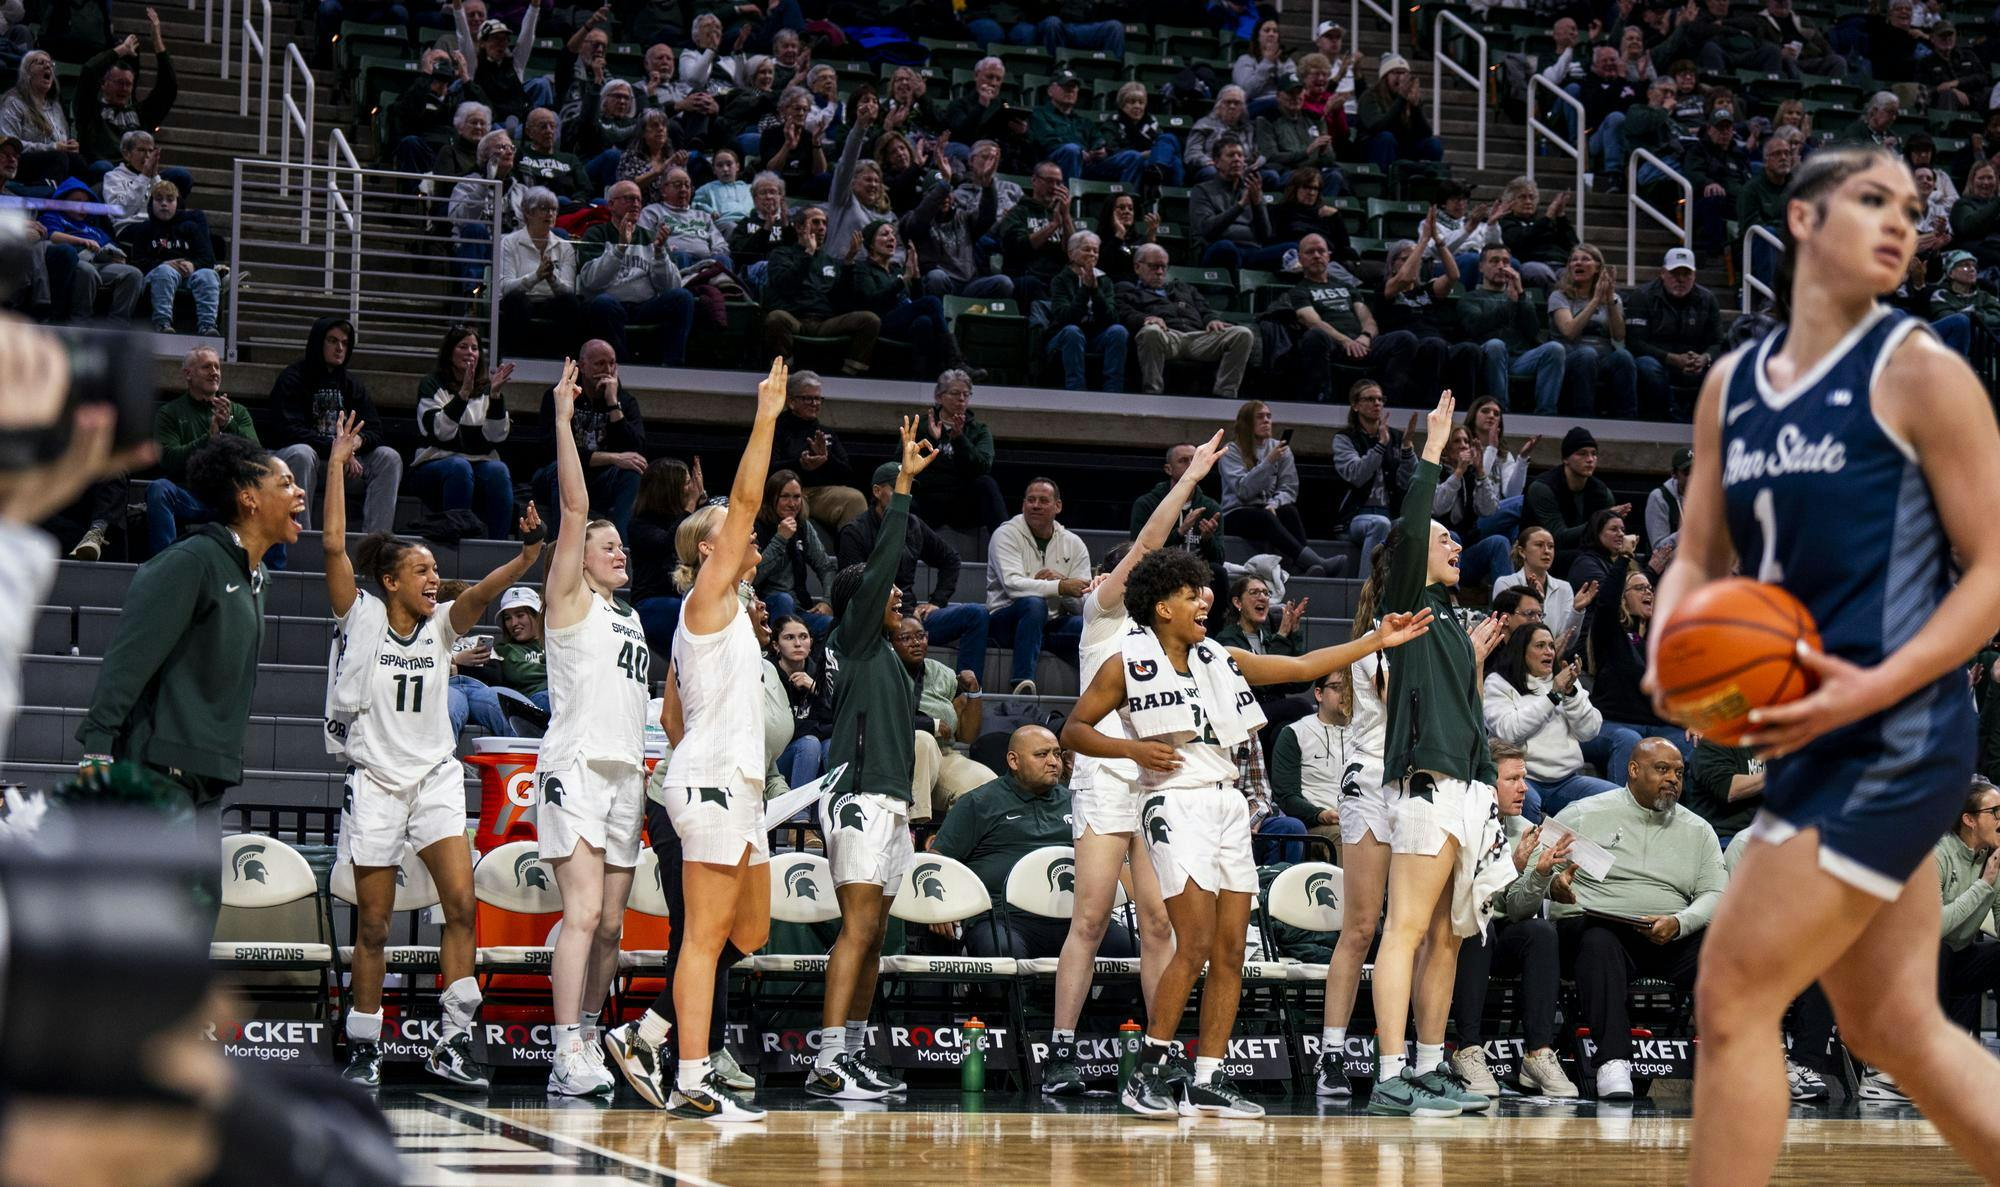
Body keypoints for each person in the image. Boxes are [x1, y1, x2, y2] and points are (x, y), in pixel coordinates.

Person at [1654, 144, 2000, 1184]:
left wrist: (1871, 684)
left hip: (1895, 727)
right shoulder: (1731, 387)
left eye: (1908, 206)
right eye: (1869, 200)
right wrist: (1674, 647)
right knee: (1891, 1021)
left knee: (1729, 992)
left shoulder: (1922, 371)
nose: (1900, 220)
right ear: (1801, 219)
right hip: (1803, 731)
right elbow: (1694, 556)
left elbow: (1990, 569)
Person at [1063, 548, 1431, 1119]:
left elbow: (1305, 665)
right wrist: (1130, 748)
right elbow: (1075, 731)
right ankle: (1154, 1069)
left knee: (1232, 950)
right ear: (1162, 607)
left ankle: (1207, 1078)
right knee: (1197, 942)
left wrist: (1375, 641)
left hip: (1228, 806)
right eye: (1191, 593)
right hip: (1173, 804)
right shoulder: (1123, 664)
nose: (1204, 598)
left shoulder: (1221, 657)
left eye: (1204, 590)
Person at [321, 408, 544, 1092]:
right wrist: (335, 464)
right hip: (378, 783)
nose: (431, 577)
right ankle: (364, 1042)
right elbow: (333, 547)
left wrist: (528, 556)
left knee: (460, 904)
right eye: (420, 569)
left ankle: (454, 1035)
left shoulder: (444, 626)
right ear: (389, 580)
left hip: (435, 780)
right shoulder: (359, 615)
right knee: (376, 925)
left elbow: (479, 591)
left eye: (432, 570)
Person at [602, 361, 785, 1122]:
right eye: (727, 529)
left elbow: (673, 717)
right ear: (707, 549)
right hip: (713, 781)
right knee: (706, 938)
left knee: (751, 928)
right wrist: (766, 416)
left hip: (726, 777)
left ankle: (645, 1033)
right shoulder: (707, 594)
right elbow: (745, 498)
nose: (744, 529)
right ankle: (691, 1077)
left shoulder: (730, 616)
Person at [1040, 433, 1225, 1094]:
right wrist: (1188, 481)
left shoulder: (1169, 637)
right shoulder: (1102, 614)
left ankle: (1157, 1052)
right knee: (1089, 919)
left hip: (1159, 786)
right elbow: (1148, 539)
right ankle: (1060, 1048)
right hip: (1103, 777)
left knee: (1158, 924)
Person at [1349, 391, 1507, 1119]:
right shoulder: (1407, 602)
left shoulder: (1448, 618)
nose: (1453, 546)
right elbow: (1411, 530)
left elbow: (1458, 711)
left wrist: (1472, 663)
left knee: (1449, 935)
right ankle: (1389, 1072)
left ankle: (1432, 1064)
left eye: (1453, 542)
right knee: (1406, 929)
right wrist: (1433, 452)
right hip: (1427, 786)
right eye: (1445, 538)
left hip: (1468, 788)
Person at [76, 433, 304, 922]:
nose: (299, 493)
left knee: (197, 915)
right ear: (248, 497)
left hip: (207, 777)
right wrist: (96, 747)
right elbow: (128, 658)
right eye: (285, 483)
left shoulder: (255, 577)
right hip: (158, 774)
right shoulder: (191, 560)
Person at [808, 417, 939, 1101]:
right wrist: (905, 488)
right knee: (858, 928)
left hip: (891, 804)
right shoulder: (855, 638)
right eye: (892, 597)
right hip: (859, 796)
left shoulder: (892, 656)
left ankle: (853, 1053)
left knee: (877, 935)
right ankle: (828, 1058)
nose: (902, 601)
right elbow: (884, 564)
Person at [533, 356, 651, 1099]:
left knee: (611, 926)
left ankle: (585, 1029)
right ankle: (564, 1047)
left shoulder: (633, 615)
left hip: (625, 773)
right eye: (611, 547)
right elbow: (576, 510)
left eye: (621, 547)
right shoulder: (568, 598)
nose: (620, 551)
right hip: (575, 766)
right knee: (579, 914)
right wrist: (563, 418)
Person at [1525, 739, 1721, 1100]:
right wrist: (1554, 886)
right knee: (1598, 939)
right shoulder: (1583, 813)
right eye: (1662, 769)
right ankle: (1613, 1062)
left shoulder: (1699, 830)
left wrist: (1681, 922)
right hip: (1600, 930)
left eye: (1678, 773)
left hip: (1668, 933)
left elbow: (1716, 893)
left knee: (1723, 947)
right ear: (1633, 770)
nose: (1672, 780)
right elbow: (1535, 868)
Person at [1446, 739, 1581, 1098]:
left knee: (1540, 931)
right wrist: (1513, 866)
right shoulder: (1460, 822)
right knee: (1479, 926)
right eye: (1513, 779)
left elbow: (1518, 908)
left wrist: (1538, 876)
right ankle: (1468, 1049)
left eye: (1525, 778)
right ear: (1486, 783)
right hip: (1453, 935)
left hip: (1497, 935)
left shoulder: (1523, 828)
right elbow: (1465, 901)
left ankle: (1538, 1054)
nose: (1524, 788)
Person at [932, 724, 1130, 960]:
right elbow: (939, 859)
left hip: (1074, 919)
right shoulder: (978, 803)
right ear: (1014, 761)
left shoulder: (1077, 802)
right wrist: (939, 908)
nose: (1053, 762)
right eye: (1041, 754)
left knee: (1130, 949)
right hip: (1004, 919)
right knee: (1002, 951)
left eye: (1057, 753)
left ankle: (1094, 999)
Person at [837, 462, 991, 682]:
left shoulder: (913, 524)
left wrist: (937, 601)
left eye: (908, 488)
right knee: (905, 631)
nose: (905, 495)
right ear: (877, 491)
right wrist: (894, 613)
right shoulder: (855, 532)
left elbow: (950, 559)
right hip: (876, 621)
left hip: (913, 614)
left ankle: (966, 688)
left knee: (976, 615)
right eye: (898, 488)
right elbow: (853, 590)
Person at [144, 347, 286, 567]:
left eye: (217, 366)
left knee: (273, 495)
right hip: (190, 497)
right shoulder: (170, 413)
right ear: (188, 374)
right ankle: (165, 566)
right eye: (206, 367)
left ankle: (272, 577)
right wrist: (209, 437)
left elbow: (258, 457)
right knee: (159, 489)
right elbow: (168, 460)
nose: (215, 372)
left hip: (233, 499)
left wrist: (229, 424)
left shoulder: (237, 412)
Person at [270, 317, 403, 537]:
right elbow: (288, 430)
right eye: (332, 341)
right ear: (318, 343)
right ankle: (302, 539)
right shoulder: (292, 379)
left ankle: (376, 545)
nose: (340, 348)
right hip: (309, 465)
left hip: (347, 467)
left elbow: (375, 429)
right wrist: (338, 449)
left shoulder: (352, 385)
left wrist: (356, 444)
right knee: (301, 453)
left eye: (344, 342)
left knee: (388, 457)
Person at [1485, 621, 1616, 823]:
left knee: (1616, 799)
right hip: (1525, 780)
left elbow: (1589, 731)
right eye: (1540, 646)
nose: (1549, 652)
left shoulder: (1564, 681)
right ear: (1522, 651)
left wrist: (1571, 694)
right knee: (1527, 801)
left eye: (1552, 646)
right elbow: (1508, 731)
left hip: (1567, 781)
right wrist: (1553, 696)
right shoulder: (1499, 683)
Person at [984, 477, 1090, 696]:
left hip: (1050, 624)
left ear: (1057, 506)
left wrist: (1062, 586)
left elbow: (1084, 603)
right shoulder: (1005, 535)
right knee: (1034, 604)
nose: (1035, 505)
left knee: (1088, 625)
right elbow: (1013, 586)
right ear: (1023, 505)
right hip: (1006, 622)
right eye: (1030, 500)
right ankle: (1022, 685)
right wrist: (1060, 586)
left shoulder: (1074, 544)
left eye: (1043, 500)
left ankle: (1094, 694)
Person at [411, 325, 516, 541]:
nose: (470, 352)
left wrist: (495, 396)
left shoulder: (488, 388)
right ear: (450, 352)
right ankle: (456, 541)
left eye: (475, 348)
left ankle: (499, 546)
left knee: (498, 470)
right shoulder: (432, 385)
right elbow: (440, 433)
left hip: (478, 463)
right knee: (459, 466)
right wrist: (463, 396)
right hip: (433, 465)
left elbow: (497, 436)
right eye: (463, 346)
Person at [533, 339, 645, 539]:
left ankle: (621, 549)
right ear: (582, 366)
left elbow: (634, 449)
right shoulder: (560, 395)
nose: (607, 370)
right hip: (555, 474)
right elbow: (551, 448)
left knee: (632, 473)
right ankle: (562, 547)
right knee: (561, 469)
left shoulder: (624, 401)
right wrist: (612, 458)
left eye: (612, 363)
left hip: (600, 481)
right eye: (600, 364)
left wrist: (612, 404)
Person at [578, 180, 697, 366]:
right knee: (602, 303)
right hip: (610, 306)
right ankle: (621, 366)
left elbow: (670, 286)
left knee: (682, 297)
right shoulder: (596, 234)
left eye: (639, 200)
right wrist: (620, 248)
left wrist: (659, 253)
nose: (635, 204)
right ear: (611, 204)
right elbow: (590, 282)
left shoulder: (650, 236)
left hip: (643, 306)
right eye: (629, 198)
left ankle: (672, 367)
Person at [1118, 244, 1257, 399]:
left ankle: (1225, 394)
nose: (1160, 272)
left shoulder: (1184, 288)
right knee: (1150, 331)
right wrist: (1146, 318)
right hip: (1167, 337)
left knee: (1243, 334)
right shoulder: (1128, 290)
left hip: (1198, 337)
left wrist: (1212, 320)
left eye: (1163, 267)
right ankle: (1152, 393)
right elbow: (1124, 312)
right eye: (1154, 267)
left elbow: (1205, 309)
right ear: (1137, 267)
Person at [894, 616, 997, 823]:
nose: (915, 642)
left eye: (920, 636)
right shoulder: (884, 672)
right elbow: (885, 718)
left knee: (988, 785)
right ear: (890, 643)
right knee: (923, 739)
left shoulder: (942, 673)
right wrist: (931, 725)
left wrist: (974, 692)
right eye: (905, 638)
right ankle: (913, 826)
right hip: (897, 755)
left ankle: (951, 846)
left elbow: (967, 736)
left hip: (944, 755)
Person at [761, 205, 880, 375]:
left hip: (825, 322)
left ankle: (848, 376)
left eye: (824, 223)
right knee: (775, 318)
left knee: (870, 320)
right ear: (799, 227)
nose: (822, 227)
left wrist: (848, 264)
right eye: (816, 222)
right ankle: (786, 373)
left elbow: (843, 301)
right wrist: (808, 254)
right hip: (795, 319)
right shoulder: (781, 254)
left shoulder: (830, 261)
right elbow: (785, 285)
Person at [1266, 234, 1377, 402]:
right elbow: (1312, 321)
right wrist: (1346, 341)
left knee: (1402, 339)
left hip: (1362, 343)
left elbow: (1367, 319)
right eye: (1310, 252)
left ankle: (1390, 401)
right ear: (1301, 258)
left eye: (1321, 251)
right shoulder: (1299, 291)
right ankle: (1321, 398)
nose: (1317, 255)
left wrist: (1365, 337)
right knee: (1315, 336)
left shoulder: (1346, 287)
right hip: (1332, 344)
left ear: (1328, 256)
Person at [1461, 245, 1566, 416]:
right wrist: (1510, 303)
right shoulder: (1470, 297)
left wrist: (1521, 294)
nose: (1501, 266)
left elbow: (1532, 331)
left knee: (1555, 348)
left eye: (1505, 262)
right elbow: (1475, 327)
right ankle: (1501, 411)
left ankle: (1546, 414)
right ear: (1481, 267)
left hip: (1520, 360)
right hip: (1488, 359)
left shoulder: (1519, 297)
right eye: (1494, 261)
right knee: (1496, 345)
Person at [1212, 574, 1313, 740]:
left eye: (1266, 593)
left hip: (1270, 716)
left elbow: (1299, 685)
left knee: (1283, 732)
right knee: (1301, 706)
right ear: (1238, 602)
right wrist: (1281, 637)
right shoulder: (1227, 640)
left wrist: (1294, 633)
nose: (1262, 597)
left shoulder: (1268, 637)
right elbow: (1262, 684)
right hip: (1245, 713)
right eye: (1254, 592)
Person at [1935, 779, 2000, 1033]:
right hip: (1922, 961)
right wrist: (1984, 884)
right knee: (1940, 950)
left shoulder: (1992, 856)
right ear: (1969, 820)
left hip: (1961, 957)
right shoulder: (1938, 854)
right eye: (1994, 812)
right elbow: (1936, 927)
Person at [1330, 380, 1410, 586]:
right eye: (1369, 399)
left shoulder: (1396, 437)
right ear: (1355, 406)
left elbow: (1407, 480)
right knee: (1379, 524)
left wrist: (1409, 451)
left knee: (1414, 526)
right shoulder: (1345, 438)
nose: (1377, 404)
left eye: (1380, 399)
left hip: (1389, 513)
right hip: (1356, 518)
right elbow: (1356, 474)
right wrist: (1380, 446)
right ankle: (1365, 592)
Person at [75, 13, 177, 170]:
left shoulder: (142, 113)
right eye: (119, 83)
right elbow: (89, 72)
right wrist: (121, 50)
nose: (124, 88)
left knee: (180, 175)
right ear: (104, 84)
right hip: (105, 172)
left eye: (128, 84)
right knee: (103, 167)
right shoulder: (90, 110)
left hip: (137, 173)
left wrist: (157, 41)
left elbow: (168, 88)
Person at [1522, 427, 1626, 579]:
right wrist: (1600, 520)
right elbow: (1557, 537)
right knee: (1586, 559)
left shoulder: (1602, 492)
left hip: (1584, 555)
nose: (1590, 459)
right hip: (1540, 553)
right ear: (1566, 459)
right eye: (1582, 453)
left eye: (1594, 454)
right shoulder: (1543, 488)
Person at [770, 369, 866, 530]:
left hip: (820, 494)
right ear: (791, 401)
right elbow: (768, 470)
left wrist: (825, 459)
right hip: (785, 493)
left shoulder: (826, 433)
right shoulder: (775, 430)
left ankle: (851, 553)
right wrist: (800, 464)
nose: (814, 404)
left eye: (817, 398)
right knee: (795, 505)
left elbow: (847, 474)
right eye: (808, 398)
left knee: (855, 499)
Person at [912, 370, 1005, 533]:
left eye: (966, 394)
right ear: (939, 397)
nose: (961, 399)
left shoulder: (979, 430)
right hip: (926, 500)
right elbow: (902, 461)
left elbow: (982, 468)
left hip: (961, 504)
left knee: (987, 484)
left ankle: (1007, 546)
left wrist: (959, 439)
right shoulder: (920, 425)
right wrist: (934, 441)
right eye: (955, 393)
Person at [626, 457, 703, 651]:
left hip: (683, 602)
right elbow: (669, 543)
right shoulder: (640, 524)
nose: (691, 488)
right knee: (686, 612)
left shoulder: (686, 517)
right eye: (687, 483)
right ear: (670, 490)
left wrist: (700, 501)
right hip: (652, 604)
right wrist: (692, 504)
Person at [1492, 525, 1595, 656]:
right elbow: (1505, 631)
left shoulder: (1564, 587)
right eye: (1539, 545)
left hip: (1552, 658)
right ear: (1522, 551)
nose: (1547, 551)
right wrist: (1535, 601)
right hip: (1515, 657)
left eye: (1551, 546)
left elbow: (1568, 642)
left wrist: (1577, 610)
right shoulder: (1506, 583)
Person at [1043, 230, 1127, 392]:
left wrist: (1095, 290)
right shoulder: (1060, 280)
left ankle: (1114, 392)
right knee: (1072, 331)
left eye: (1096, 251)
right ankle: (1076, 391)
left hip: (1095, 337)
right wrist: (1085, 290)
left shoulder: (1105, 281)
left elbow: (1111, 318)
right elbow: (1064, 318)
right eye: (1087, 249)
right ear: (1071, 253)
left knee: (1118, 331)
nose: (1092, 254)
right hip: (1063, 335)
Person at [754, 469, 834, 635]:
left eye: (796, 497)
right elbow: (753, 576)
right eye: (785, 497)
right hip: (766, 609)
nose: (792, 503)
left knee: (830, 624)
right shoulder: (756, 528)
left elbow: (826, 567)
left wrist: (827, 601)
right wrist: (780, 539)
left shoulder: (803, 526)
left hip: (800, 610)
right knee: (784, 599)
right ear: (771, 498)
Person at [1189, 136, 1281, 272]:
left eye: (1240, 155)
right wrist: (1241, 205)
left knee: (1293, 249)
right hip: (1218, 249)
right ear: (1216, 162)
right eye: (1231, 155)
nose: (1237, 159)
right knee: (1226, 248)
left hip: (1252, 252)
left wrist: (1257, 204)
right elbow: (1207, 230)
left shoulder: (1252, 189)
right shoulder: (1202, 190)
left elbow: (1265, 235)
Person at [1130, 442, 1226, 571]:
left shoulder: (1211, 508)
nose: (1191, 465)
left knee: (1218, 571)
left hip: (1196, 572)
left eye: (1194, 460)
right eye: (1183, 461)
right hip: (1159, 570)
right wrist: (1180, 531)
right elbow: (1137, 554)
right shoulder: (1147, 504)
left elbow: (1218, 560)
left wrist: (1208, 539)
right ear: (1168, 469)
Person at [769, 612, 834, 783]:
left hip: (811, 752)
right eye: (789, 638)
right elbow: (785, 730)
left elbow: (836, 719)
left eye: (803, 637)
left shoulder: (821, 672)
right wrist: (818, 728)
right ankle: (800, 810)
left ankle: (829, 806)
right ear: (776, 645)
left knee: (830, 745)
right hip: (775, 763)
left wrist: (816, 689)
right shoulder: (768, 674)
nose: (798, 644)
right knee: (809, 744)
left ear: (811, 643)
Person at [1356, 54, 1441, 172]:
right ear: (1385, 77)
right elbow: (1375, 126)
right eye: (1396, 73)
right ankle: (1384, 185)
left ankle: (1427, 186)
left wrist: (1415, 107)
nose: (1400, 78)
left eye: (1404, 73)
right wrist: (1400, 100)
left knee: (1434, 144)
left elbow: (1425, 133)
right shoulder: (1370, 96)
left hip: (1402, 150)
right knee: (1386, 138)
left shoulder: (1409, 98)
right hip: (1373, 148)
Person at [1684, 730, 1763, 847]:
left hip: (1761, 835)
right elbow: (1728, 788)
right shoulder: (1716, 739)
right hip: (1722, 837)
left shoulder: (1776, 741)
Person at [493, 585, 550, 712]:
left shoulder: (554, 642)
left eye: (520, 615)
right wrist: (554, 669)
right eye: (508, 618)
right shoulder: (505, 649)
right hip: (536, 701)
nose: (513, 623)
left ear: (537, 615)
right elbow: (519, 674)